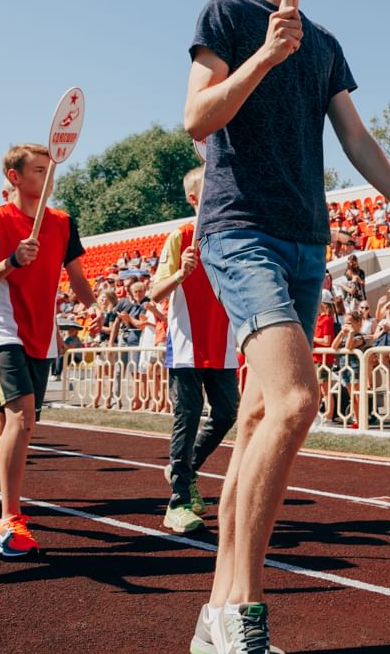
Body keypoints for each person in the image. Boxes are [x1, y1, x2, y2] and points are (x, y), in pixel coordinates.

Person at [183, 0, 390, 654]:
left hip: (306, 240)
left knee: (263, 421)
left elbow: (357, 134)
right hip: (240, 231)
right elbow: (197, 120)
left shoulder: (326, 42)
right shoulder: (229, 15)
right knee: (299, 401)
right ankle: (243, 608)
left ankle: (214, 615)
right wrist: (265, 55)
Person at [0, 143, 96, 558]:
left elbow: (77, 278)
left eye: (50, 170)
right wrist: (13, 261)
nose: (48, 177)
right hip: (4, 329)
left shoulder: (63, 222)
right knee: (19, 417)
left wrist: (94, 305)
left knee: (26, 421)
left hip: (43, 332)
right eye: (39, 170)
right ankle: (10, 520)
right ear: (15, 177)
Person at [153, 165, 239, 535]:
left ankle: (184, 468)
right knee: (186, 416)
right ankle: (177, 502)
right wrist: (180, 273)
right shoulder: (181, 236)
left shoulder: (234, 236)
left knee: (226, 413)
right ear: (193, 198)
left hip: (223, 344)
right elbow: (155, 292)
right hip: (187, 344)